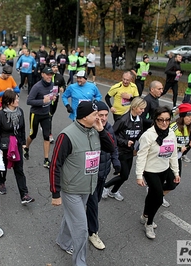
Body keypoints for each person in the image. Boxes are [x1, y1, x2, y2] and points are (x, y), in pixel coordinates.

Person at [50, 101, 115, 266]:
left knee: (71, 217)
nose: (99, 118)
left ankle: (63, 241)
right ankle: (80, 262)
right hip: (71, 189)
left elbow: (111, 147)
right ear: (85, 116)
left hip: (88, 186)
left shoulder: (95, 130)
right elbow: (55, 164)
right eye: (95, 115)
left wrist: (101, 131)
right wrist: (55, 193)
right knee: (81, 229)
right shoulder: (66, 135)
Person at [135, 106, 180, 239]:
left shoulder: (171, 133)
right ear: (155, 120)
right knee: (158, 199)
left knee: (171, 185)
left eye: (167, 120)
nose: (164, 123)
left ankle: (144, 215)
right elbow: (141, 156)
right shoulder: (148, 135)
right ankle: (149, 224)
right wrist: (139, 176)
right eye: (160, 120)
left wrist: (176, 172)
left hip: (164, 168)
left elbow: (173, 154)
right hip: (150, 170)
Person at [86, 101, 120, 250]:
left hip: (103, 174)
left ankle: (83, 217)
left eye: (106, 115)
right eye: (101, 115)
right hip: (89, 176)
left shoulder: (109, 128)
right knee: (93, 205)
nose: (104, 118)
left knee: (95, 201)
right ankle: (93, 232)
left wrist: (116, 162)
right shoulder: (88, 130)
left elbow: (114, 147)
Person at [0, 90, 35, 204]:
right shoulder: (0, 115)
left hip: (16, 145)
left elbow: (22, 128)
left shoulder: (20, 111)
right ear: (9, 101)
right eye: (15, 98)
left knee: (19, 169)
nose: (17, 100)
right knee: (4, 167)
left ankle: (24, 194)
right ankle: (1, 182)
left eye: (17, 98)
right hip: (4, 145)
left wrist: (23, 143)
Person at [103, 97, 146, 201]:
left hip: (129, 152)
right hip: (120, 151)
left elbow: (138, 134)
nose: (143, 111)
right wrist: (125, 142)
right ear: (135, 107)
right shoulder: (122, 120)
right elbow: (111, 134)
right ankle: (104, 186)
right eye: (141, 108)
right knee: (124, 175)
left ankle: (113, 192)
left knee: (124, 176)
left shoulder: (139, 120)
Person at [161, 103, 191, 208]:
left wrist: (189, 146)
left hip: (177, 158)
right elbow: (163, 144)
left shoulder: (187, 127)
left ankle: (158, 193)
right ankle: (157, 193)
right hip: (167, 159)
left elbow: (184, 144)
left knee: (176, 182)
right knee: (172, 183)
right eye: (188, 116)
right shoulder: (173, 127)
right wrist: (179, 148)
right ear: (182, 116)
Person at [24, 67, 57, 168]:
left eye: (51, 74)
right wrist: (42, 101)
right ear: (42, 74)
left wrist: (53, 98)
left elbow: (52, 95)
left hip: (46, 114)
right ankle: (26, 147)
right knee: (33, 135)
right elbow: (29, 101)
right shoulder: (37, 87)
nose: (49, 76)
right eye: (47, 74)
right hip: (36, 114)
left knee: (46, 136)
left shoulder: (52, 84)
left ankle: (46, 159)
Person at [49, 63, 66, 143]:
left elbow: (63, 84)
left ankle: (46, 126)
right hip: (47, 98)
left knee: (51, 114)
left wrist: (62, 88)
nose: (55, 68)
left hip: (56, 98)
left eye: (56, 67)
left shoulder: (60, 76)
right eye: (53, 67)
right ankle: (49, 134)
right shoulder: (47, 76)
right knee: (49, 116)